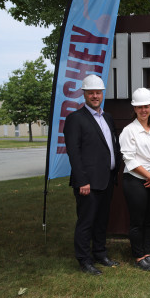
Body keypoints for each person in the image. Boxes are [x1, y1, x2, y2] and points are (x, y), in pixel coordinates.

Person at [64, 74, 121, 275]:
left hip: (106, 179)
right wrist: (82, 180)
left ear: (102, 94)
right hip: (87, 183)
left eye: (98, 92)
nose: (95, 96)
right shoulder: (75, 119)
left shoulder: (107, 117)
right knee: (86, 222)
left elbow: (111, 146)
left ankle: (100, 253)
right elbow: (74, 152)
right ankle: (84, 260)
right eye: (91, 93)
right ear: (84, 94)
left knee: (101, 221)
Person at [119, 88, 150, 271]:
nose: (143, 110)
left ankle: (147, 253)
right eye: (139, 107)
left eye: (146, 106)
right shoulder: (129, 131)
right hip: (136, 180)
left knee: (149, 220)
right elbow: (129, 158)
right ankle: (139, 256)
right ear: (135, 109)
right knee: (137, 221)